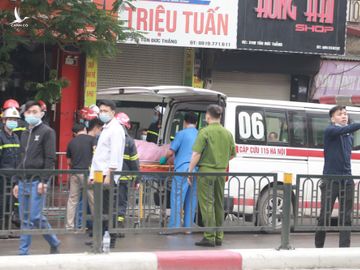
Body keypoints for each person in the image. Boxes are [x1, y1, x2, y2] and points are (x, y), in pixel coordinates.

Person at [12, 100, 61, 255]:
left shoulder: (47, 132)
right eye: (28, 112)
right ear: (24, 114)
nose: (31, 115)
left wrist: (44, 181)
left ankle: (54, 241)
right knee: (24, 219)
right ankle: (23, 252)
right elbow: (20, 159)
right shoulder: (25, 133)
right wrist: (15, 182)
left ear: (41, 113)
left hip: (36, 181)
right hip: (22, 180)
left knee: (34, 216)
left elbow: (50, 158)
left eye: (35, 111)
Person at [188, 104, 236, 247]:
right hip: (221, 172)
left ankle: (209, 236)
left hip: (206, 172)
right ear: (220, 117)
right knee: (219, 203)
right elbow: (232, 154)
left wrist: (190, 171)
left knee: (207, 203)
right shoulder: (228, 133)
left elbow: (196, 153)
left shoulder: (204, 132)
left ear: (207, 116)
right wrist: (220, 161)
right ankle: (218, 236)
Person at [315, 105, 360, 248]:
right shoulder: (331, 130)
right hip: (331, 180)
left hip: (346, 180)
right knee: (325, 216)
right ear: (332, 118)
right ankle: (318, 248)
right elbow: (345, 129)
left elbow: (347, 131)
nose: (344, 116)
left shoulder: (349, 136)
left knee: (346, 217)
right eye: (340, 114)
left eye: (346, 114)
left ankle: (344, 248)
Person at [89, 100, 125, 248]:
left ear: (112, 113)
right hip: (99, 174)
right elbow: (99, 155)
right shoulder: (106, 128)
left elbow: (115, 155)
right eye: (101, 110)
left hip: (106, 174)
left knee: (107, 209)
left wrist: (110, 175)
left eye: (105, 110)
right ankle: (100, 237)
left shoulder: (116, 129)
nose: (102, 113)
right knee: (100, 209)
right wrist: (92, 176)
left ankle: (110, 237)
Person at [160, 112, 198, 229]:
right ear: (196, 123)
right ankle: (188, 228)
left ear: (184, 122)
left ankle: (174, 227)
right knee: (191, 200)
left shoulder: (181, 134)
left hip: (182, 170)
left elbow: (171, 151)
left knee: (177, 199)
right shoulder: (200, 134)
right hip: (196, 169)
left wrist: (163, 159)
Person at [65, 123, 97, 230]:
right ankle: (97, 224)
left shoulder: (71, 142)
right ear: (84, 129)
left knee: (72, 199)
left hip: (74, 173)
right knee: (92, 199)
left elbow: (69, 161)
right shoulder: (91, 139)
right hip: (87, 173)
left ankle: (69, 225)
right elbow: (96, 153)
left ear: (74, 133)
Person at [115, 112, 140, 237]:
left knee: (110, 202)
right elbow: (134, 161)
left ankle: (109, 227)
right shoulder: (129, 141)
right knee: (121, 203)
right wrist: (137, 179)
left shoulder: (108, 137)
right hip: (123, 179)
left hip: (108, 178)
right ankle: (118, 227)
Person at [0, 107, 21, 237]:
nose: (13, 121)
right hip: (2, 176)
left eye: (15, 119)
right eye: (10, 119)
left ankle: (8, 228)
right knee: (2, 202)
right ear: (4, 121)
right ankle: (2, 229)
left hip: (13, 177)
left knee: (12, 203)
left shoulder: (16, 137)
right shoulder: (1, 136)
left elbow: (18, 157)